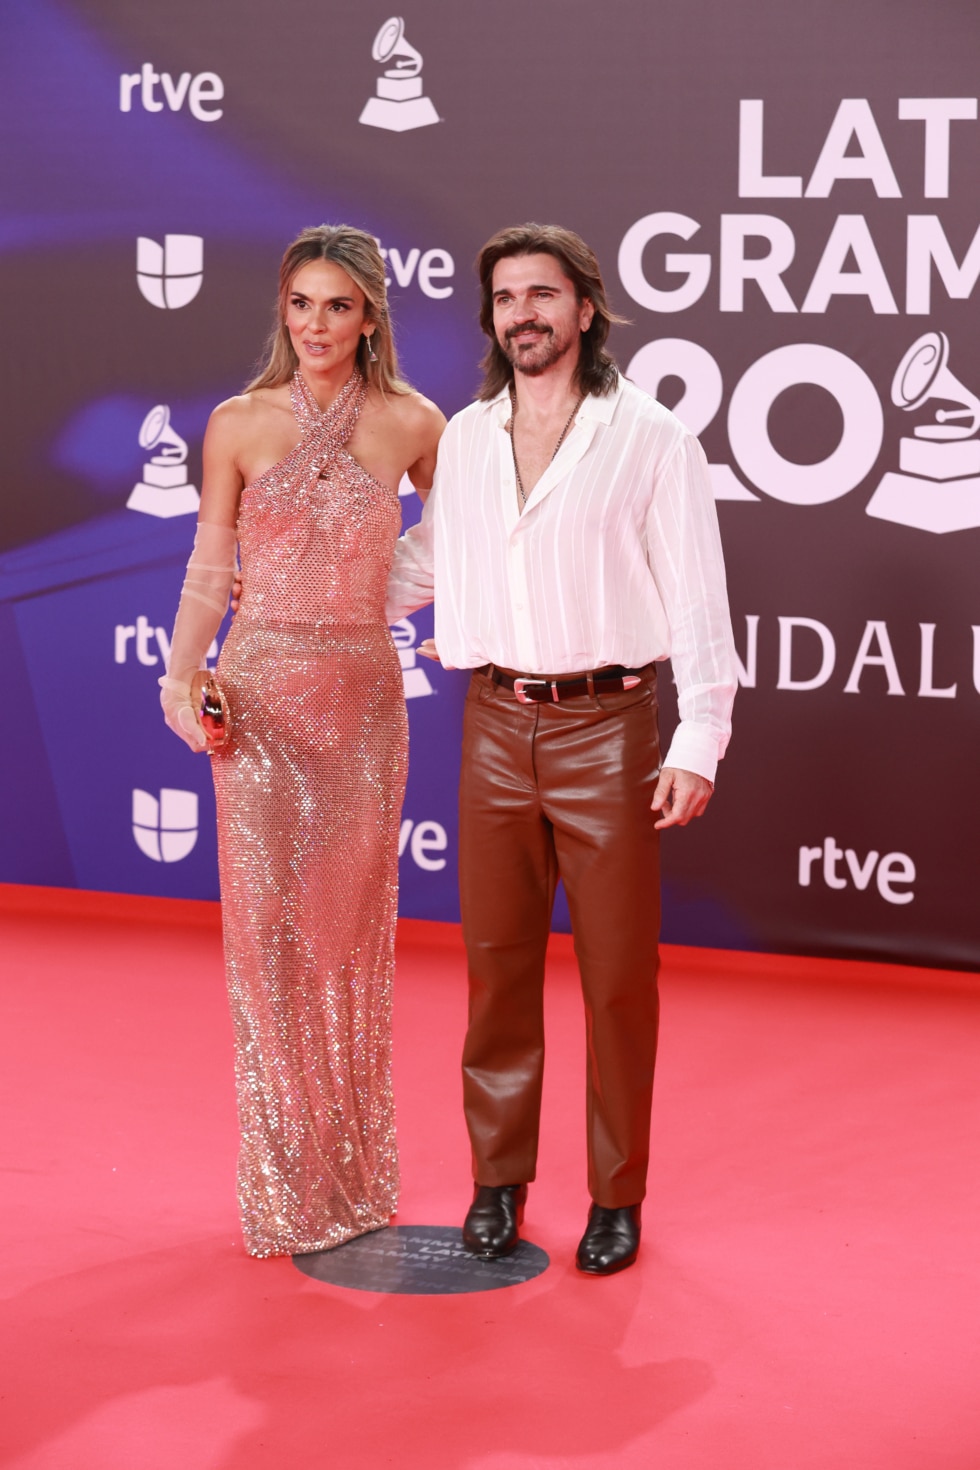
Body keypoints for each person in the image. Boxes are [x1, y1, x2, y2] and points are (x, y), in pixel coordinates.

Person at [386, 223, 737, 1276]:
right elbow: (420, 564)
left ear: (585, 309)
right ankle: (497, 1183)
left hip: (610, 732)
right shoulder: (464, 437)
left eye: (543, 294)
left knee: (617, 980)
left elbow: (696, 601)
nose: (522, 314)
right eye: (505, 298)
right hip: (492, 726)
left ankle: (614, 1196)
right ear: (491, 317)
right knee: (495, 972)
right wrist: (304, 587)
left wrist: (700, 736)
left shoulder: (651, 438)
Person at [159, 224, 444, 1258]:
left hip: (365, 702)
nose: (316, 325)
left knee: (345, 942)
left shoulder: (417, 422)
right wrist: (180, 674)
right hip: (264, 696)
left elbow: (461, 552)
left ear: (370, 314)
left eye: (337, 305)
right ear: (281, 311)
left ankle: (354, 1176)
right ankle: (284, 1187)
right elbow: (206, 568)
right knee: (267, 945)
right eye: (300, 304)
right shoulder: (236, 424)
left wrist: (395, 605)